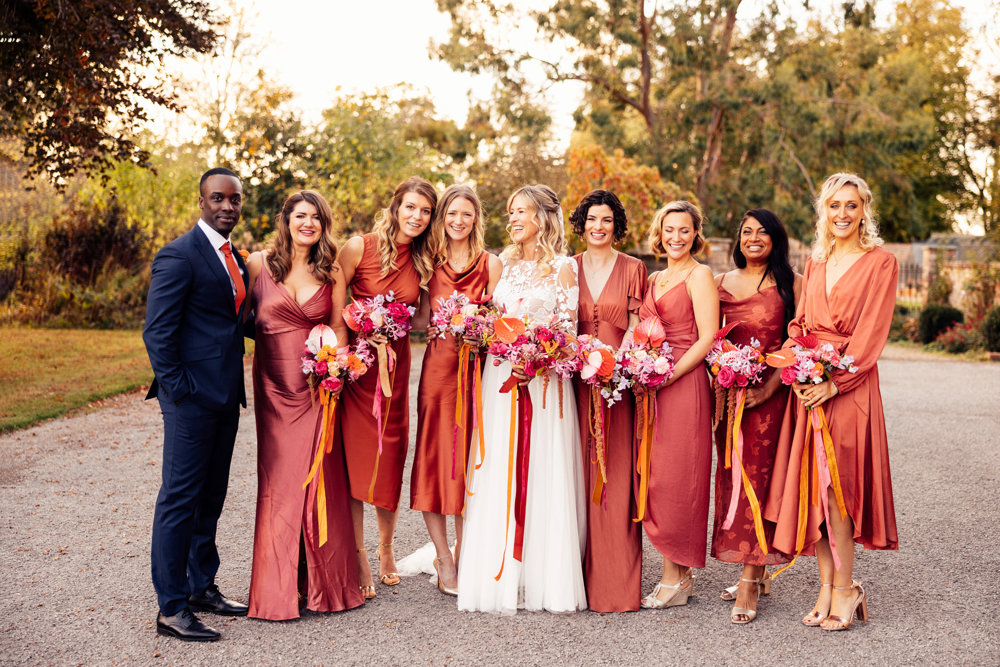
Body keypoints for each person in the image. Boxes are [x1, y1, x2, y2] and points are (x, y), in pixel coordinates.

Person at [765, 173, 898, 631]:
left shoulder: (881, 263)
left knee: (838, 491)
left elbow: (871, 334)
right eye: (834, 206)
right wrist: (798, 361)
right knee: (812, 492)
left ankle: (847, 588)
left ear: (865, 210)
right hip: (809, 386)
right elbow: (800, 323)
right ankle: (825, 587)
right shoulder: (816, 261)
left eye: (851, 205)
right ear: (824, 211)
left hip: (848, 389)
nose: (842, 214)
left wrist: (835, 383)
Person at [457, 184, 587, 614]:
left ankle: (544, 573)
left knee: (542, 468)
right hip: (500, 379)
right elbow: (494, 320)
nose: (512, 219)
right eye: (510, 211)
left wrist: (535, 356)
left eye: (522, 212)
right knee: (500, 466)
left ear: (543, 218)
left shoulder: (564, 268)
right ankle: (499, 569)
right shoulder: (503, 265)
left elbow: (568, 333)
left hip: (543, 384)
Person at [244, 191, 365, 620]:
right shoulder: (258, 264)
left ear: (323, 224)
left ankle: (322, 585)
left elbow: (338, 329)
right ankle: (278, 588)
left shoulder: (331, 271)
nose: (308, 223)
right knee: (278, 483)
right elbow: (238, 321)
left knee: (318, 482)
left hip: (317, 388)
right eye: (300, 216)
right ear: (287, 220)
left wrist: (336, 368)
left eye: (315, 217)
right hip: (273, 388)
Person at [143, 167, 251, 641]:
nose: (227, 206)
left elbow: (234, 322)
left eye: (234, 199)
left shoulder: (235, 259)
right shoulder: (178, 256)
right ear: (202, 202)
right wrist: (180, 390)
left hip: (226, 394)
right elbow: (157, 333)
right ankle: (171, 607)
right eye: (217, 198)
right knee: (179, 499)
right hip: (191, 400)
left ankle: (201, 585)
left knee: (212, 495)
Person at [334, 177, 437, 598]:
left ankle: (386, 546)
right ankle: (358, 553)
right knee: (358, 459)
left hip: (395, 369)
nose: (416, 216)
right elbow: (337, 298)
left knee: (391, 454)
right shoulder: (359, 247)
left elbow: (421, 317)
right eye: (410, 207)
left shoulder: (425, 259)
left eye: (425, 211)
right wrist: (344, 349)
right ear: (395, 207)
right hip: (359, 369)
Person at [410, 185, 502, 595]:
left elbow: (500, 322)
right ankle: (443, 556)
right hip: (438, 372)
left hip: (476, 373)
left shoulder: (491, 264)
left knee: (468, 465)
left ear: (476, 218)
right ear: (442, 218)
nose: (458, 221)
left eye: (466, 214)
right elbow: (417, 320)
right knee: (433, 462)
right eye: (451, 214)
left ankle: (468, 550)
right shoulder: (427, 263)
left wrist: (479, 328)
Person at [710, 209, 800, 624]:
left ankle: (749, 579)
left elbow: (797, 341)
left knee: (762, 482)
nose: (754, 238)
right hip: (729, 399)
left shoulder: (790, 284)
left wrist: (769, 387)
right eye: (747, 231)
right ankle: (757, 568)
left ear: (775, 238)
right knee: (732, 481)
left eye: (763, 232)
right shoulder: (720, 283)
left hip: (772, 398)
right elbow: (708, 337)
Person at [636, 200, 718, 609]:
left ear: (695, 233)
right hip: (654, 385)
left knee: (678, 477)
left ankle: (674, 577)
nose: (676, 237)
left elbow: (707, 338)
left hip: (684, 386)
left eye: (684, 230)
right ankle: (678, 575)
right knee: (655, 475)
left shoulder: (700, 275)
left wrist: (667, 375)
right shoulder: (654, 279)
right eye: (669, 229)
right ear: (659, 232)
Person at [569, 190, 646, 612]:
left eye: (607, 220)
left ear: (616, 226)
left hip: (617, 387)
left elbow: (637, 325)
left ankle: (614, 582)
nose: (599, 227)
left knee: (615, 480)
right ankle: (572, 578)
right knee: (575, 477)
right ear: (582, 223)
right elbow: (560, 327)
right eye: (592, 219)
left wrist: (617, 362)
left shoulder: (634, 268)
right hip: (574, 389)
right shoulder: (567, 268)